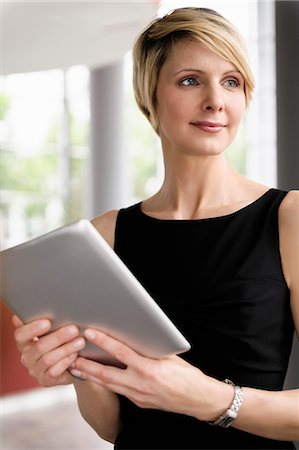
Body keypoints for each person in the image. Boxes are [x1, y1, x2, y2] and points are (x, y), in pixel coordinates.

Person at [12, 7, 299, 450]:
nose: (215, 100)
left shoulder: (288, 217)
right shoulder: (104, 236)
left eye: (231, 81)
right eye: (190, 80)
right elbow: (112, 427)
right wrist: (77, 368)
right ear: (150, 97)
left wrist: (211, 399)